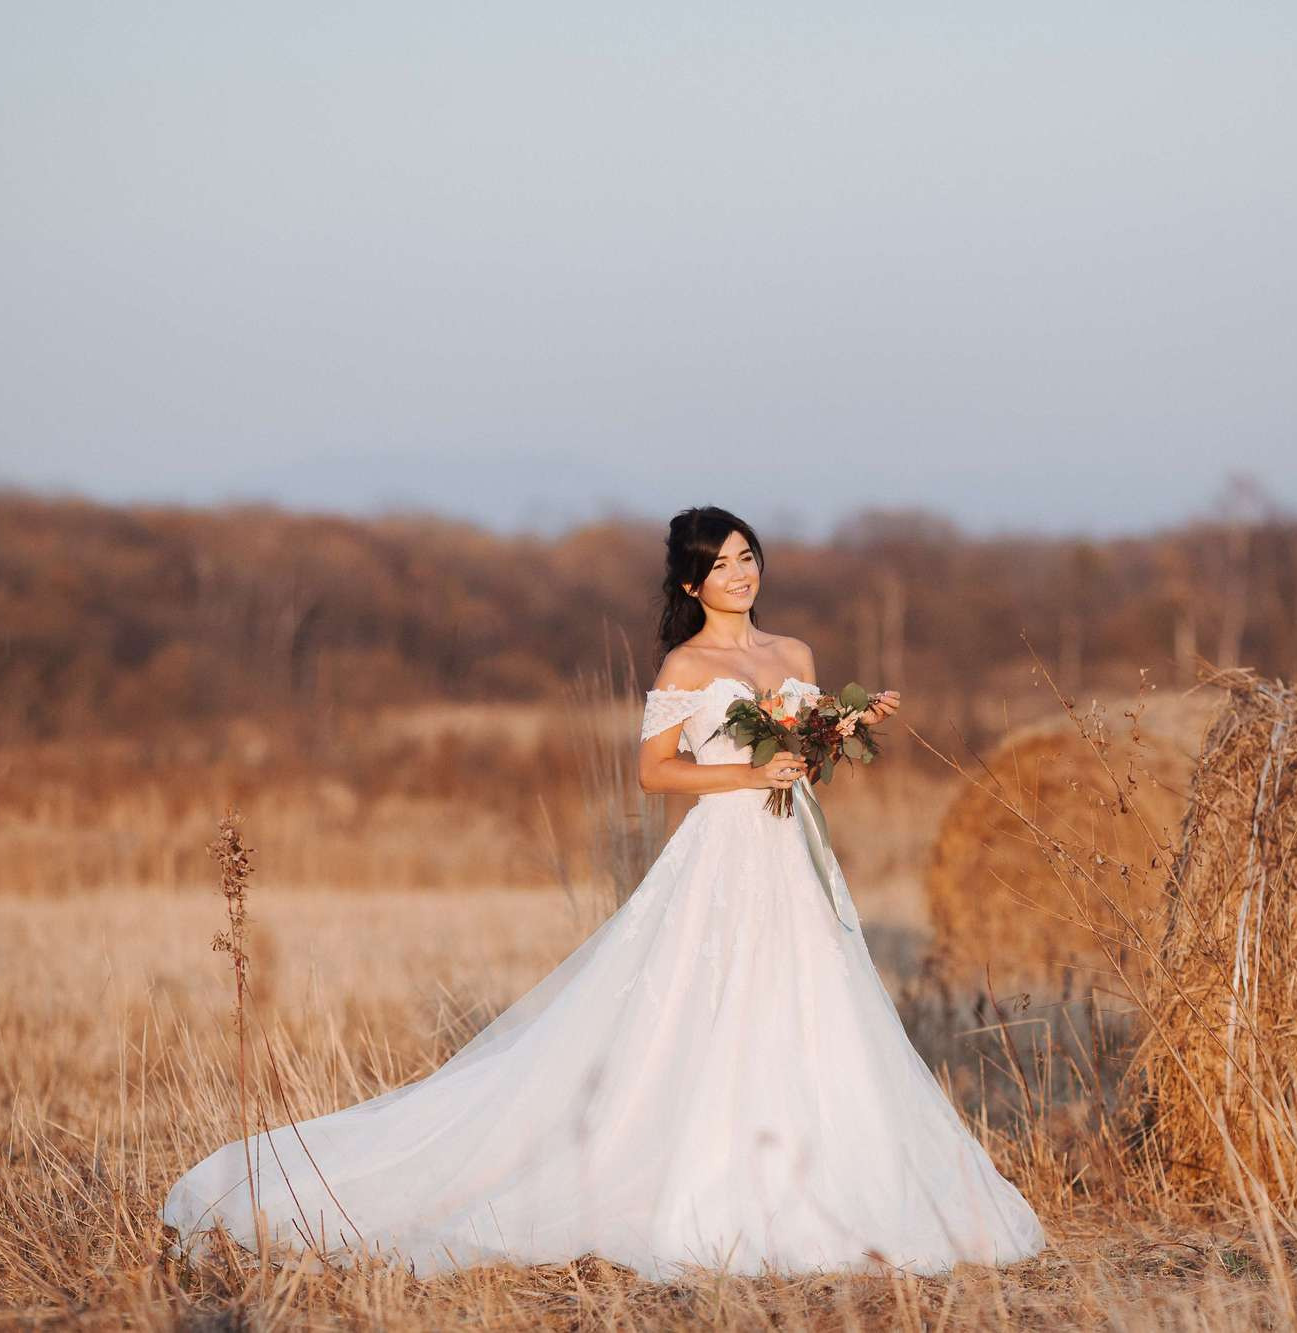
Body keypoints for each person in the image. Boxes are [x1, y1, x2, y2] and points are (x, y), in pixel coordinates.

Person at [158, 505, 1047, 1281]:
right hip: (724, 849)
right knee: (709, 1004)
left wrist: (838, 733)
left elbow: (801, 764)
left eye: (748, 556)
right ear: (692, 583)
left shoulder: (794, 651)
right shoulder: (686, 669)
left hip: (793, 844)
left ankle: (836, 1182)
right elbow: (656, 773)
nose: (741, 573)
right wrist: (745, 778)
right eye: (722, 563)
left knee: (815, 997)